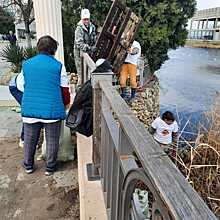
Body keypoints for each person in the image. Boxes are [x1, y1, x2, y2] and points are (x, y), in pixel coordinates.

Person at [21, 35, 70, 175]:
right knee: (52, 139)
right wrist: (65, 104)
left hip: (30, 108)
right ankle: (50, 167)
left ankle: (28, 165)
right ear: (53, 50)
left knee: (30, 139)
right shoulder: (59, 66)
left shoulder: (26, 64)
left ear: (38, 48)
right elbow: (65, 90)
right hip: (51, 109)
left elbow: (23, 86)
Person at [74, 8, 96, 87]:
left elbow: (94, 39)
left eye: (87, 19)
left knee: (89, 74)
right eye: (84, 19)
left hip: (89, 53)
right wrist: (89, 48)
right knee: (81, 75)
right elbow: (79, 43)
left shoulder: (92, 27)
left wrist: (94, 46)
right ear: (82, 19)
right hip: (80, 54)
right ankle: (79, 92)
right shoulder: (79, 29)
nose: (86, 21)